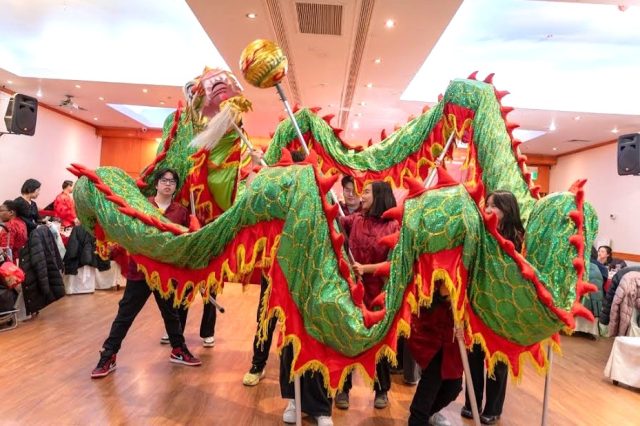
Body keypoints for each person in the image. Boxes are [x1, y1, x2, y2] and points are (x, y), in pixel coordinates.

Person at [91, 168, 201, 379]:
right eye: (164, 180)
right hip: (140, 270)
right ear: (156, 184)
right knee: (125, 314)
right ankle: (108, 355)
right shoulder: (142, 205)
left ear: (175, 187)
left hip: (165, 272)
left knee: (171, 313)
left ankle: (178, 349)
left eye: (172, 181)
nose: (167, 184)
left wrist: (194, 231)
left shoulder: (181, 212)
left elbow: (185, 242)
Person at [462, 190, 525, 425]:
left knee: (498, 361)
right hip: (478, 305)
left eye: (494, 206)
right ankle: (472, 403)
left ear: (507, 210)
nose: (487, 209)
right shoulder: (481, 233)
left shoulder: (519, 239)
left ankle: (493, 408)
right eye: (486, 204)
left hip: (504, 311)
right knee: (474, 357)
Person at [335, 181, 399, 410]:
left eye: (366, 191)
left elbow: (395, 263)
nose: (361, 195)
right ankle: (342, 389)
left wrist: (366, 269)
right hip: (353, 291)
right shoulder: (356, 220)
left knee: (378, 342)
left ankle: (381, 390)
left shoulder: (393, 225)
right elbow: (335, 220)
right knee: (348, 338)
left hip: (378, 293)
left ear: (380, 195)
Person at [407, 281, 463, 426]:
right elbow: (419, 301)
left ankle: (426, 414)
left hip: (453, 342)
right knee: (430, 385)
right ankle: (417, 419)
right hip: (432, 339)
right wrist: (440, 295)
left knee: (454, 386)